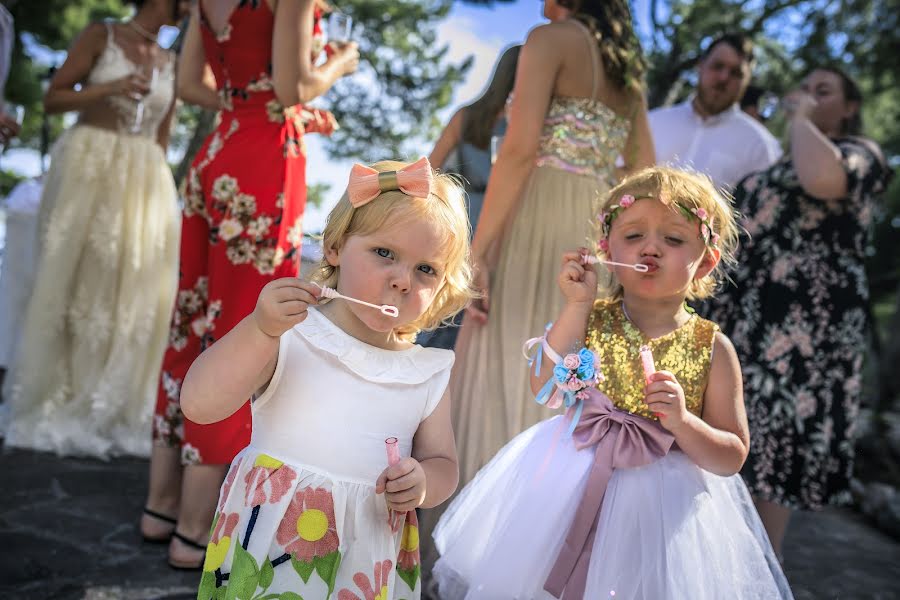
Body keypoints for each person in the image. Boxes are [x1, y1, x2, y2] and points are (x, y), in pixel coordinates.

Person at [432, 167, 793, 599]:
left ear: (706, 261)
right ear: (606, 250)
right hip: (570, 482)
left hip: (660, 512)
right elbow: (546, 388)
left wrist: (681, 422)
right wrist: (577, 305)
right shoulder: (590, 318)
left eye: (674, 239)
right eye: (633, 236)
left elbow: (731, 456)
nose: (651, 248)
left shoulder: (712, 347)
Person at [182, 158, 474, 599]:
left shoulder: (425, 372)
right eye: (385, 253)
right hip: (269, 548)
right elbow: (200, 404)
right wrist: (259, 330)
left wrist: (424, 483)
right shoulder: (292, 331)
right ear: (335, 248)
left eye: (425, 270)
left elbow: (444, 465)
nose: (401, 280)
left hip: (365, 560)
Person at [141, 0, 360, 570]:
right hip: (263, 162)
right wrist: (340, 63)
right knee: (246, 335)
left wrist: (248, 103)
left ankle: (161, 503)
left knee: (191, 324)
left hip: (217, 154)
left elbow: (192, 85)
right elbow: (294, 87)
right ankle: (194, 530)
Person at [448, 0, 654, 495]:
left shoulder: (547, 40)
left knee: (512, 353)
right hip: (595, 231)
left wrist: (476, 254)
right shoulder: (627, 70)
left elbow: (517, 151)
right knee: (571, 374)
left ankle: (491, 519)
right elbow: (644, 169)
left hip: (535, 214)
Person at [706, 66, 893, 561]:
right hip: (748, 320)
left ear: (850, 106)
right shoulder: (764, 176)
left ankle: (756, 579)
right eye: (804, 89)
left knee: (775, 457)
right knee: (725, 438)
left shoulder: (861, 155)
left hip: (811, 330)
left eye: (823, 91)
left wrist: (803, 116)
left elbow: (822, 178)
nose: (807, 96)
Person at [1, 0, 188, 456]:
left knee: (132, 290)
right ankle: (57, 397)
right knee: (75, 281)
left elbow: (163, 136)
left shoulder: (174, 61)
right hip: (88, 163)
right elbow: (54, 99)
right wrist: (111, 89)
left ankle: (113, 404)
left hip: (144, 175)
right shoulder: (101, 35)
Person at [418, 43, 521, 350]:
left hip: (468, 220)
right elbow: (427, 173)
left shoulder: (468, 117)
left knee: (450, 308)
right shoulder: (520, 126)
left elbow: (426, 172)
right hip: (492, 224)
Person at [649, 33, 781, 191]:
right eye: (717, 66)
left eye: (736, 73)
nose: (724, 78)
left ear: (747, 81)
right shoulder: (654, 122)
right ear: (700, 66)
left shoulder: (761, 148)